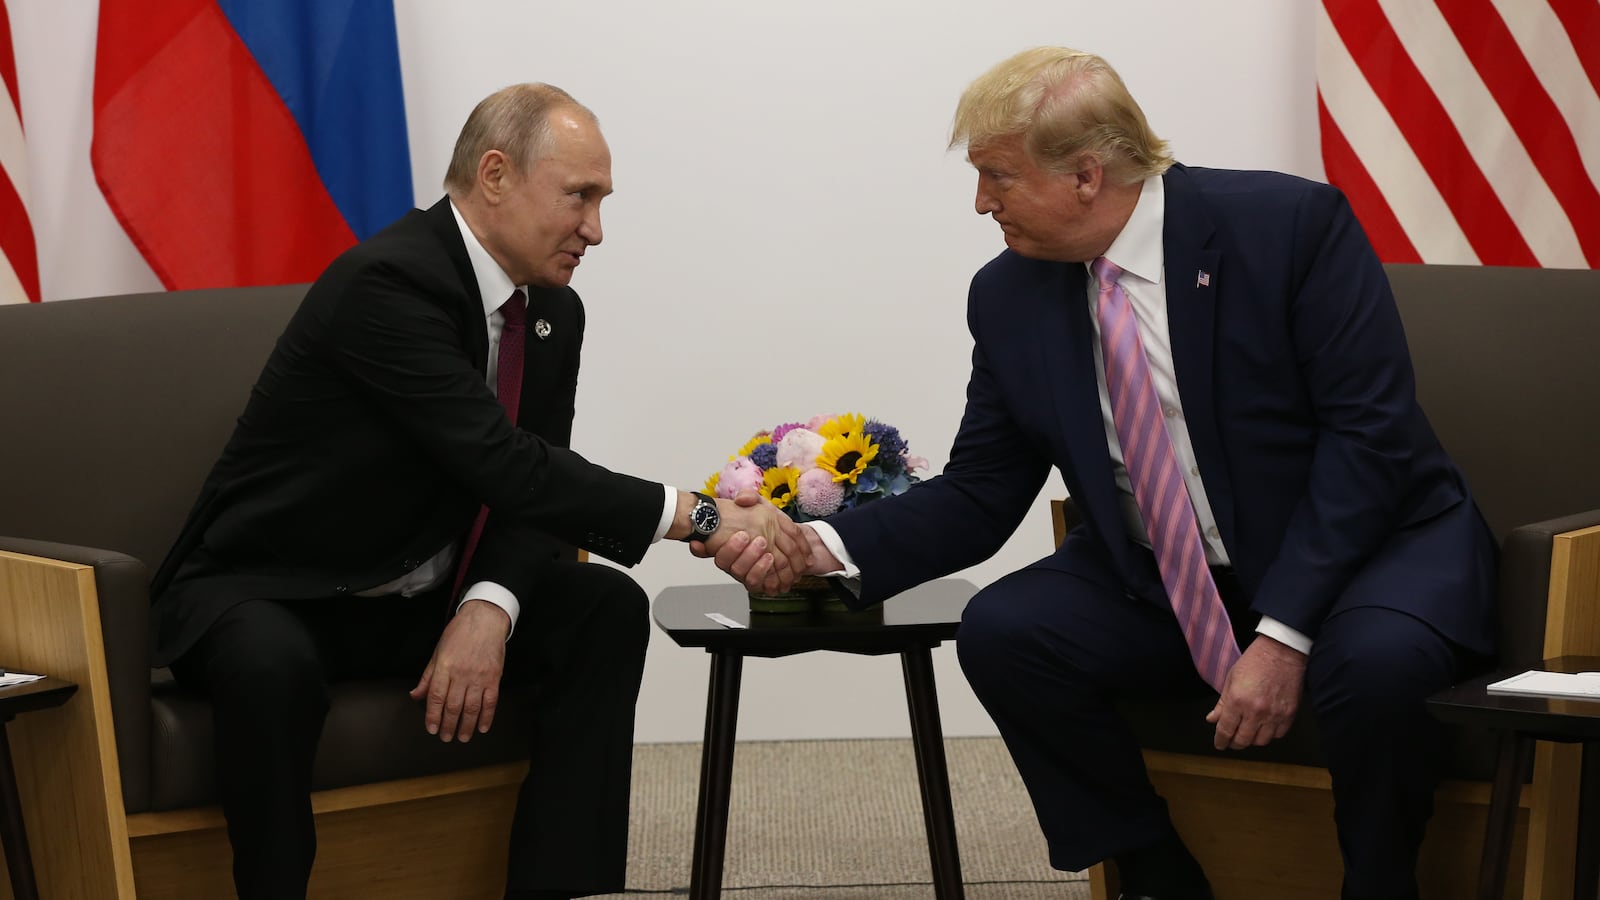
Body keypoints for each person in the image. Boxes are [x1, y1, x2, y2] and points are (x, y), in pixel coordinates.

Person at [708, 48, 1496, 900]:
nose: (981, 203)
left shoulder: (1288, 227)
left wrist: (1283, 634)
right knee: (1008, 634)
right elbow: (981, 492)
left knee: (1373, 669)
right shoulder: (1010, 295)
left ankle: (1380, 885)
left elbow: (1367, 441)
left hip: (1365, 554)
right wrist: (813, 544)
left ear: (1086, 175)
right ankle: (1156, 874)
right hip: (1171, 579)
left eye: (996, 176)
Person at [150, 83, 806, 900]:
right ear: (495, 175)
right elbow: (505, 464)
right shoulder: (387, 284)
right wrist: (699, 514)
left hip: (412, 596)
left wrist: (487, 607)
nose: (596, 230)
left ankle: (561, 887)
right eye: (580, 197)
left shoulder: (552, 314)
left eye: (601, 202)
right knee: (270, 666)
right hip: (276, 590)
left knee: (600, 611)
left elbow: (540, 485)